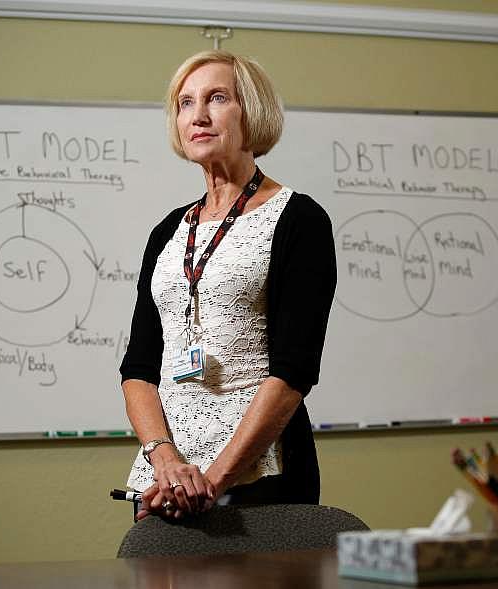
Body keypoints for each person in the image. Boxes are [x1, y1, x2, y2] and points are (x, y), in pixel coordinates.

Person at [119, 50, 336, 521]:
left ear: (251, 110)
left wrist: (213, 481)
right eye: (184, 103)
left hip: (261, 473)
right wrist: (166, 462)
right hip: (167, 476)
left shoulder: (300, 219)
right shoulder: (168, 232)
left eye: (217, 98)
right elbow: (138, 368)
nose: (197, 115)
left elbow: (294, 370)